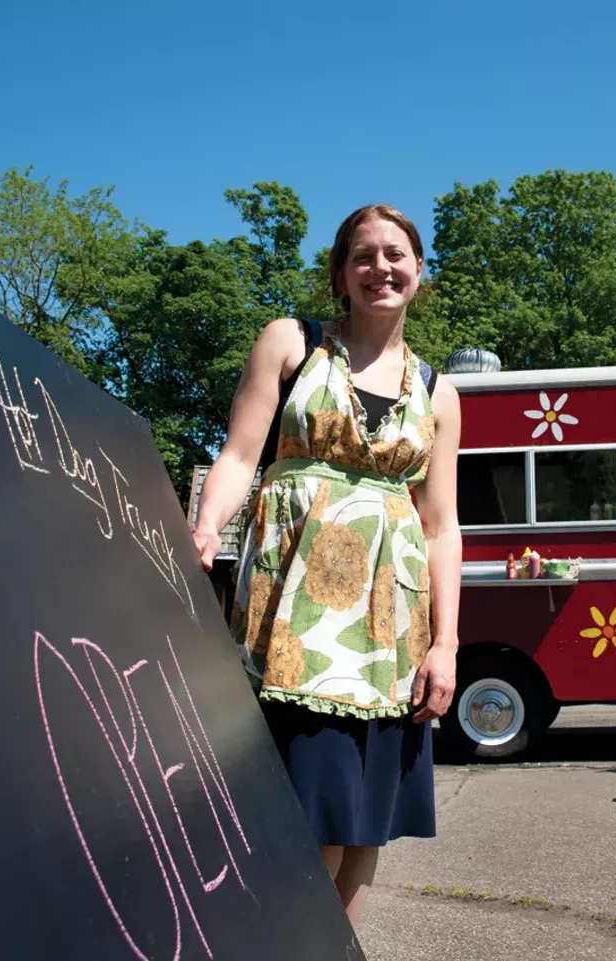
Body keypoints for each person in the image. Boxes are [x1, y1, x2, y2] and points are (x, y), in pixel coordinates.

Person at [191, 204, 462, 928]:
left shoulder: (439, 390)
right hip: (292, 619)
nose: (382, 267)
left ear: (419, 270)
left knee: (363, 821)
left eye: (397, 253)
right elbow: (241, 455)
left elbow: (441, 526)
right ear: (341, 273)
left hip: (388, 631)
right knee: (296, 815)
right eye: (364, 255)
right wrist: (207, 525)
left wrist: (445, 644)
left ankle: (334, 947)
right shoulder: (293, 343)